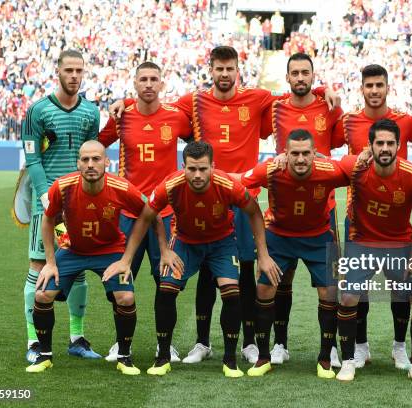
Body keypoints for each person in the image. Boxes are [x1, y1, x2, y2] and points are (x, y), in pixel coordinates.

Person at [110, 46, 339, 365]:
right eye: (219, 68)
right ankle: (202, 342)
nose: (225, 74)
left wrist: (320, 88)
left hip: (242, 197)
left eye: (230, 68)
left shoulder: (258, 98)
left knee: (246, 268)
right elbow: (153, 106)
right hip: (204, 194)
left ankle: (247, 342)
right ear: (211, 70)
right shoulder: (194, 101)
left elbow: (296, 94)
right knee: (206, 267)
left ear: (237, 70)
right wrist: (128, 101)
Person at [104, 141, 281, 377]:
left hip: (221, 243)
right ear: (183, 166)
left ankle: (229, 360)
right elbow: (146, 217)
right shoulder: (171, 185)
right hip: (186, 243)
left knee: (231, 292)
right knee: (166, 289)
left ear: (213, 167)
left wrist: (264, 254)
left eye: (203, 169)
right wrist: (140, 256)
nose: (197, 175)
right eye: (192, 169)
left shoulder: (228, 184)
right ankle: (163, 356)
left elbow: (253, 212)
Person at [26, 141, 147, 375]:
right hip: (74, 250)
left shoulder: (121, 187)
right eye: (85, 159)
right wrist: (50, 263)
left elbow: (147, 214)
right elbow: (48, 219)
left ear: (106, 162)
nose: (91, 164)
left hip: (110, 250)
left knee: (125, 297)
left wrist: (127, 259)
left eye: (96, 159)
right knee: (42, 293)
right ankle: (44, 355)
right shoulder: (62, 186)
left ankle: (124, 356)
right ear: (78, 163)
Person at [99, 61, 192, 363]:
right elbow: (98, 146)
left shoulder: (176, 118)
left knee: (166, 285)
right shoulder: (122, 116)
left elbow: (201, 141)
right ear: (135, 84)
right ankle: (119, 342)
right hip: (128, 212)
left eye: (154, 79)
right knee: (120, 281)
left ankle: (165, 344)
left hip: (165, 213)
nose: (149, 84)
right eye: (143, 80)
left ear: (162, 84)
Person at [237, 129, 349, 379]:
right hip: (279, 237)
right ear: (285, 154)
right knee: (265, 290)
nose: (300, 159)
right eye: (294, 154)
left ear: (314, 154)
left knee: (330, 293)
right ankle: (264, 356)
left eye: (305, 153)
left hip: (320, 238)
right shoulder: (271, 170)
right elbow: (239, 182)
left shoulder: (329, 170)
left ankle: (325, 357)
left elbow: (359, 170)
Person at [332, 64, 412, 368]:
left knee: (403, 287)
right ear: (362, 88)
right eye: (369, 85)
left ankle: (399, 347)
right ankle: (360, 346)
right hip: (359, 220)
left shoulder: (405, 122)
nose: (374, 91)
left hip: (397, 220)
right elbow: (323, 149)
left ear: (387, 87)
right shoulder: (348, 122)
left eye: (379, 85)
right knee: (358, 288)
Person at [260, 52, 344, 367]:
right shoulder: (277, 106)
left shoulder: (329, 106)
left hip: (323, 205)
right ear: (288, 76)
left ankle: (331, 347)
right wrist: (324, 87)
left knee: (330, 283)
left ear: (312, 75)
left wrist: (325, 90)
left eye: (305, 73)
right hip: (283, 202)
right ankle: (280, 343)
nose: (299, 78)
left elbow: (339, 143)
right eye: (294, 73)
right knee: (282, 277)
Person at [334, 118, 412, 383]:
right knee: (348, 298)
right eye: (380, 143)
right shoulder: (356, 168)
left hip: (400, 243)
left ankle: (411, 358)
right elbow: (320, 162)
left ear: (399, 146)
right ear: (371, 146)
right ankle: (348, 360)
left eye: (390, 143)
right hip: (362, 242)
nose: (385, 148)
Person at [21, 49, 100, 363]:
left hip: (80, 206)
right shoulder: (38, 111)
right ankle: (33, 342)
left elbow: (92, 154)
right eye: (69, 70)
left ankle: (77, 339)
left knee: (78, 270)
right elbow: (32, 157)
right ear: (58, 72)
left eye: (79, 71)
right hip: (49, 205)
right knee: (38, 270)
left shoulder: (91, 112)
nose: (74, 76)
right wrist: (44, 195)